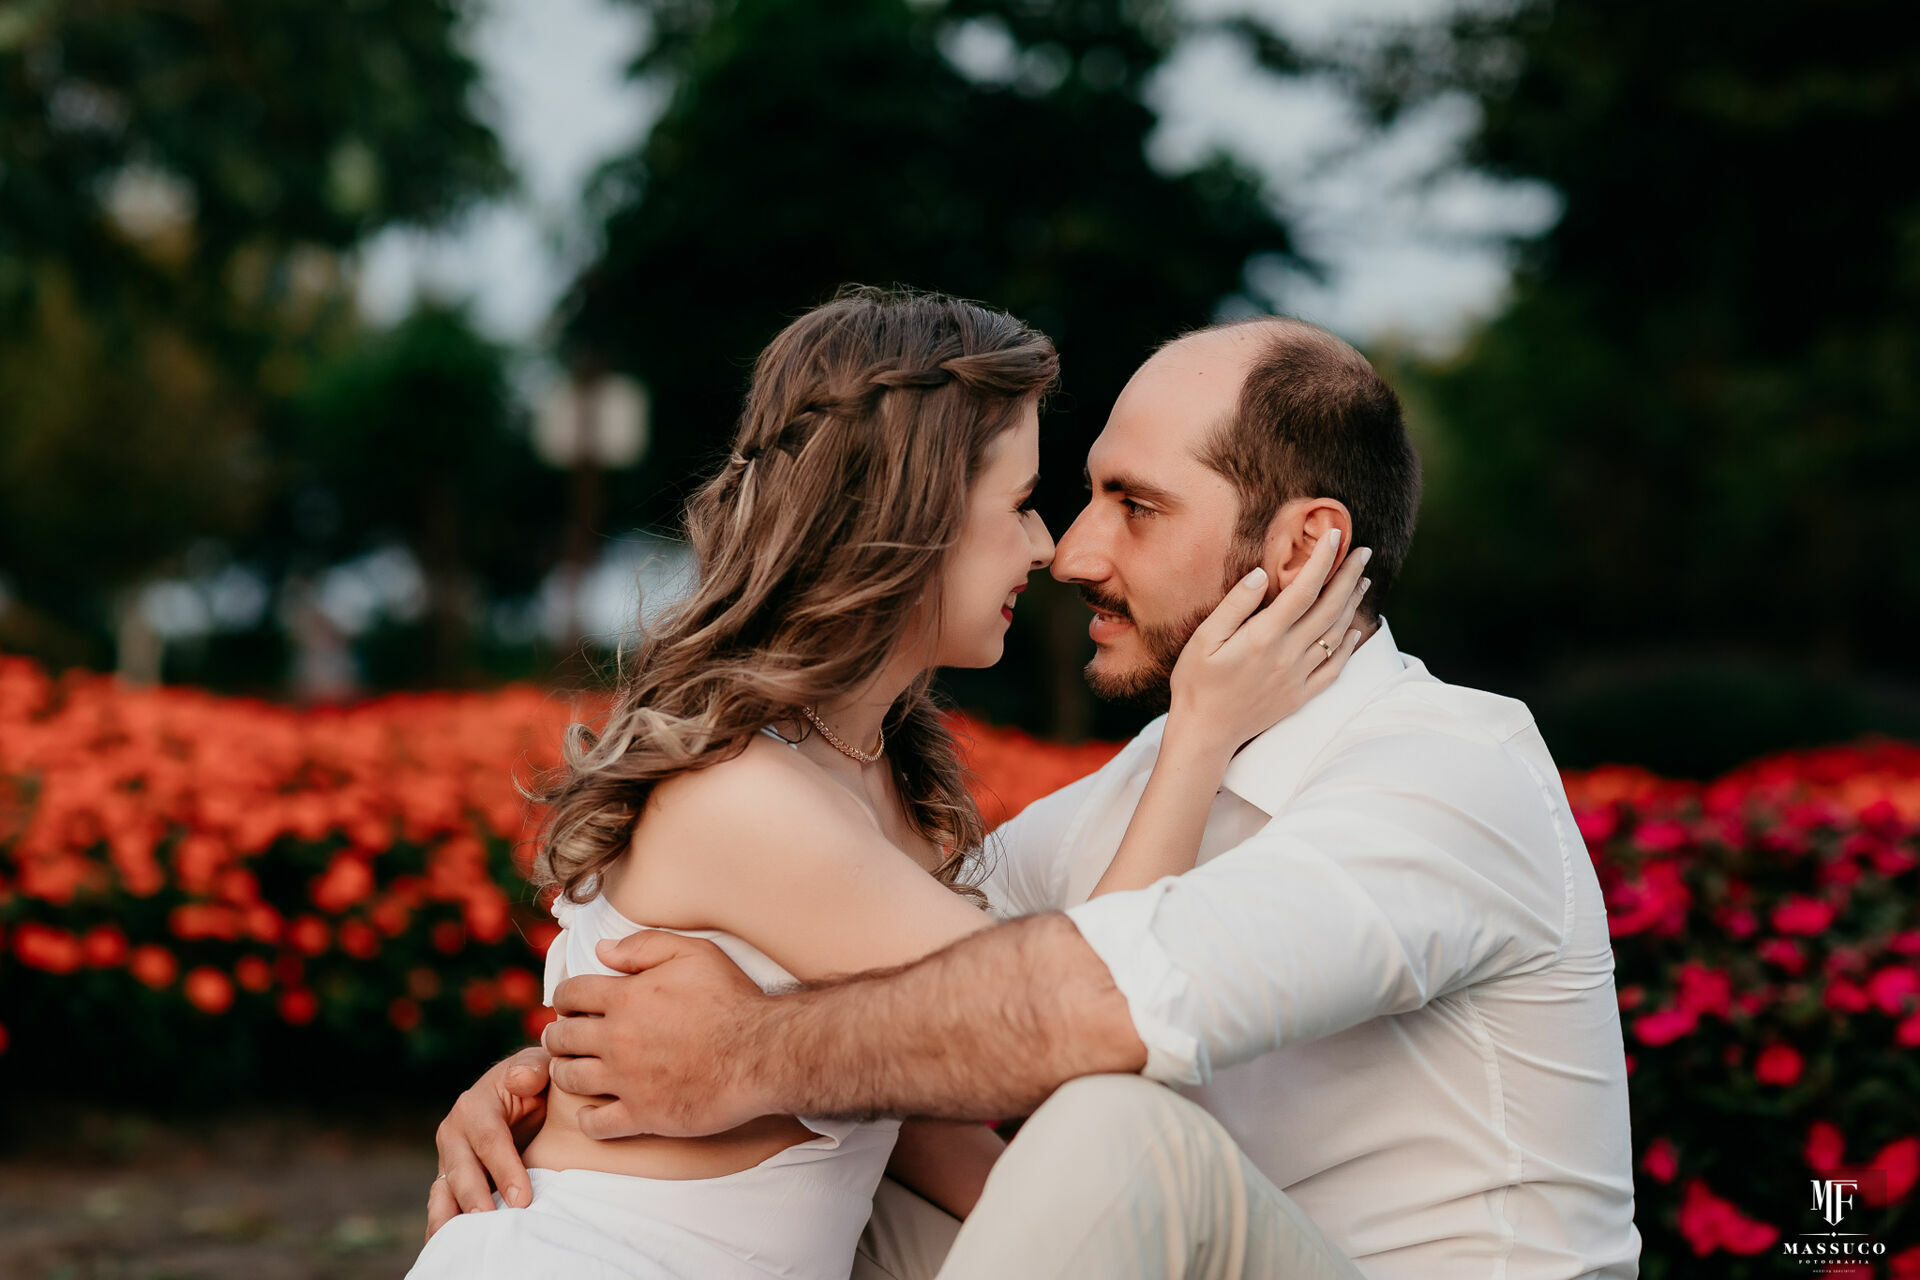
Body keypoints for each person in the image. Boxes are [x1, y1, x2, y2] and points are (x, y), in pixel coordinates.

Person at [430, 315, 1642, 1280]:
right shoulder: (1125, 793)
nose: (1070, 551)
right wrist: (553, 1077)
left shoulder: (1446, 770)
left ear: (1301, 549)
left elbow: (1047, 1022)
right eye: (1061, 498)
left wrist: (742, 1050)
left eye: (1138, 505)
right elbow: (909, 995)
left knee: (1114, 1134)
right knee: (873, 1186)